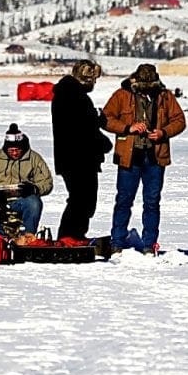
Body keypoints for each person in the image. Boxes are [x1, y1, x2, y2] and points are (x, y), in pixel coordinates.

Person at [102, 63, 187, 254]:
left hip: (156, 158)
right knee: (124, 200)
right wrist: (128, 128)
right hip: (128, 158)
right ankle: (117, 242)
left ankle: (150, 244)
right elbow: (105, 119)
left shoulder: (165, 96)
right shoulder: (121, 95)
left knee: (152, 202)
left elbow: (180, 120)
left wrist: (163, 133)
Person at [51, 60, 112, 241]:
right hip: (78, 158)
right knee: (81, 200)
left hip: (74, 157)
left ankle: (75, 235)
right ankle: (69, 236)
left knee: (82, 200)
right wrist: (103, 142)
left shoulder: (69, 93)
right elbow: (82, 128)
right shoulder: (74, 95)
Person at [0, 123, 54, 244]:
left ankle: (26, 238)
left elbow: (47, 182)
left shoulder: (34, 158)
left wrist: (34, 189)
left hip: (22, 201)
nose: (15, 153)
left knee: (34, 203)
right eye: (11, 150)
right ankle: (2, 240)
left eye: (17, 150)